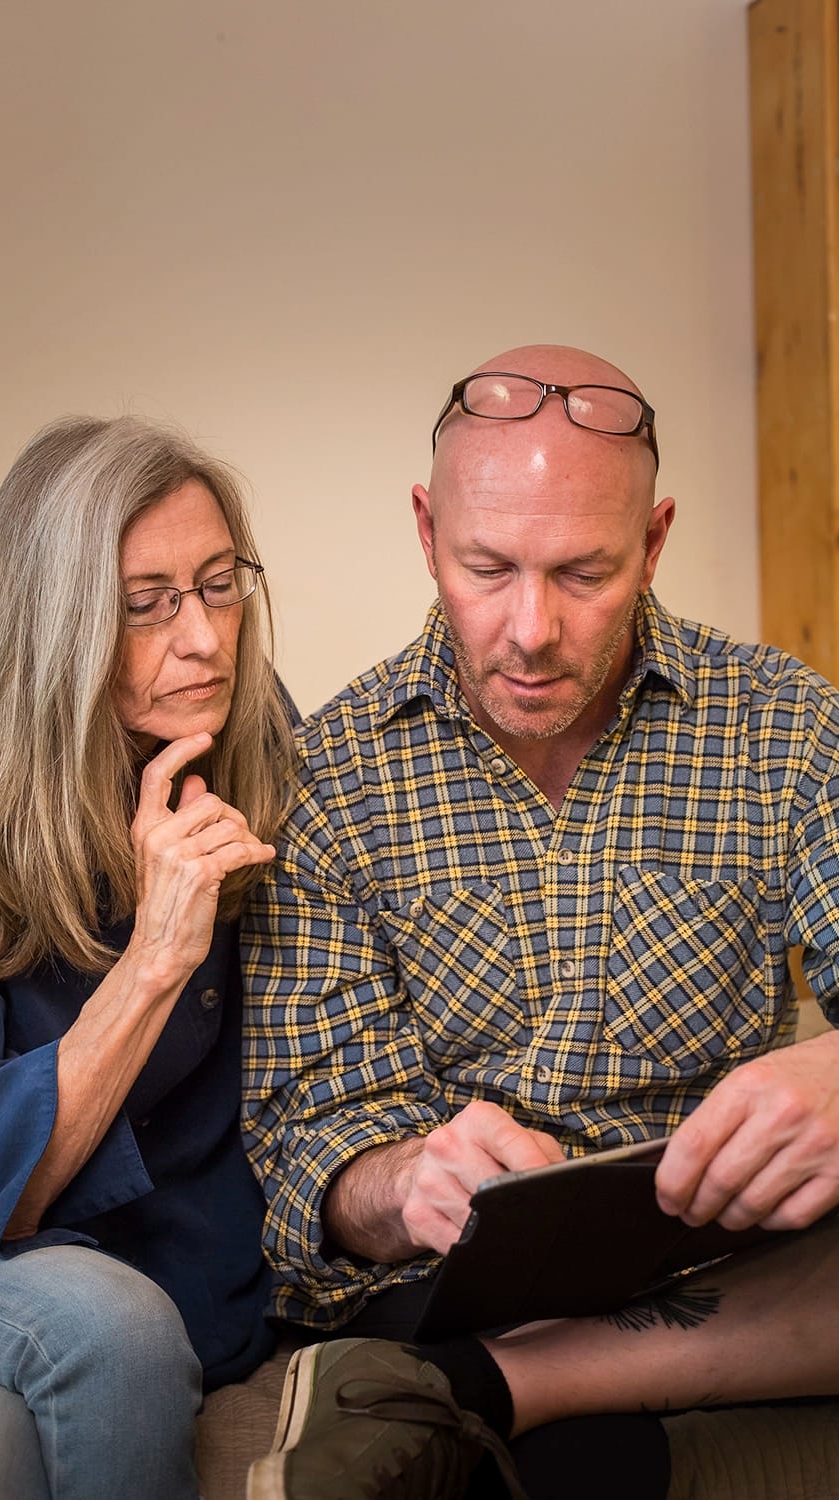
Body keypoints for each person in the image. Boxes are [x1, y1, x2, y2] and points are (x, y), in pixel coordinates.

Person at [240, 345, 839, 1500]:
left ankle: (504, 1384)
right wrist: (405, 1181)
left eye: (583, 574)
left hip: (724, 1251)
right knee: (582, 1468)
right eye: (485, 567)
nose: (529, 629)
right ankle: (509, 1379)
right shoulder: (329, 777)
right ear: (425, 531)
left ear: (654, 541)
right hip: (447, 1282)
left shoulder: (786, 728)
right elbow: (310, 1155)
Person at [0, 414, 295, 1500]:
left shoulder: (261, 745)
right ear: (54, 624)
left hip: (165, 1236)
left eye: (220, 583)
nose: (203, 639)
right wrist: (155, 958)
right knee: (109, 1332)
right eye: (145, 607)